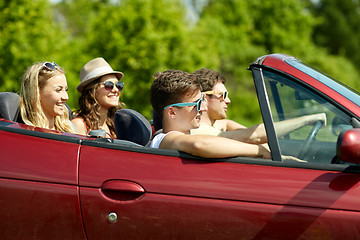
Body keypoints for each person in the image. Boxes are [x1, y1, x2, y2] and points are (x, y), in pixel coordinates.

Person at [149, 69, 271, 159]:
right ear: (172, 112)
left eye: (202, 101)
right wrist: (259, 150)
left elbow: (223, 127)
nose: (202, 108)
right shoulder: (164, 139)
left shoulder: (189, 134)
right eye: (196, 104)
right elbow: (199, 144)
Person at [191, 68, 326, 144]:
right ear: (203, 97)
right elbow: (255, 136)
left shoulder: (214, 126)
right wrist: (306, 120)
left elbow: (227, 124)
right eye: (223, 95)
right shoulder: (198, 131)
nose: (228, 100)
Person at [71, 57, 124, 138]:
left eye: (118, 85)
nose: (116, 90)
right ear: (92, 90)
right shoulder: (79, 125)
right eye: (109, 85)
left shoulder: (114, 126)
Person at [19, 61, 76, 133]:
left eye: (66, 89)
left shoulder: (70, 128)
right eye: (58, 90)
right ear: (37, 93)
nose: (66, 97)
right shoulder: (26, 134)